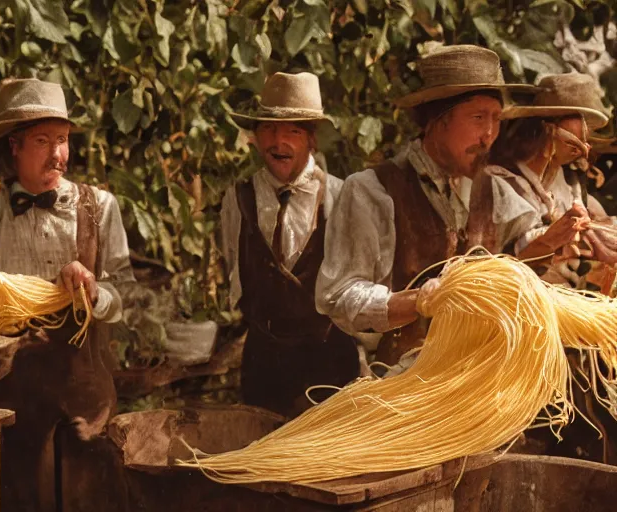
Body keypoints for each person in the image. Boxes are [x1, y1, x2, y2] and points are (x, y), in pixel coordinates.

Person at [315, 45, 586, 366]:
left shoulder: (495, 191)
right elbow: (339, 296)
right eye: (477, 118)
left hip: (482, 373)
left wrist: (550, 240)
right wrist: (419, 301)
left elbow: (515, 250)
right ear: (436, 120)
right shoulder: (372, 191)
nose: (489, 135)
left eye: (496, 119)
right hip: (405, 381)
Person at [0, 78, 135, 511]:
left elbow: (126, 297)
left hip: (84, 397)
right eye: (43, 141)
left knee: (88, 497)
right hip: (10, 399)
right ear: (14, 147)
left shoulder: (99, 208)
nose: (58, 154)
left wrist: (95, 293)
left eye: (62, 140)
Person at [221, 72, 360, 418]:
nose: (277, 142)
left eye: (292, 132)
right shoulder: (238, 199)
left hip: (329, 362)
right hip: (264, 365)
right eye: (268, 130)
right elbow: (236, 272)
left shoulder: (340, 196)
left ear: (312, 140)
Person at [488, 72, 617, 289]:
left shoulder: (568, 182)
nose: (586, 140)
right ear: (548, 128)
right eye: (579, 123)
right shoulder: (500, 184)